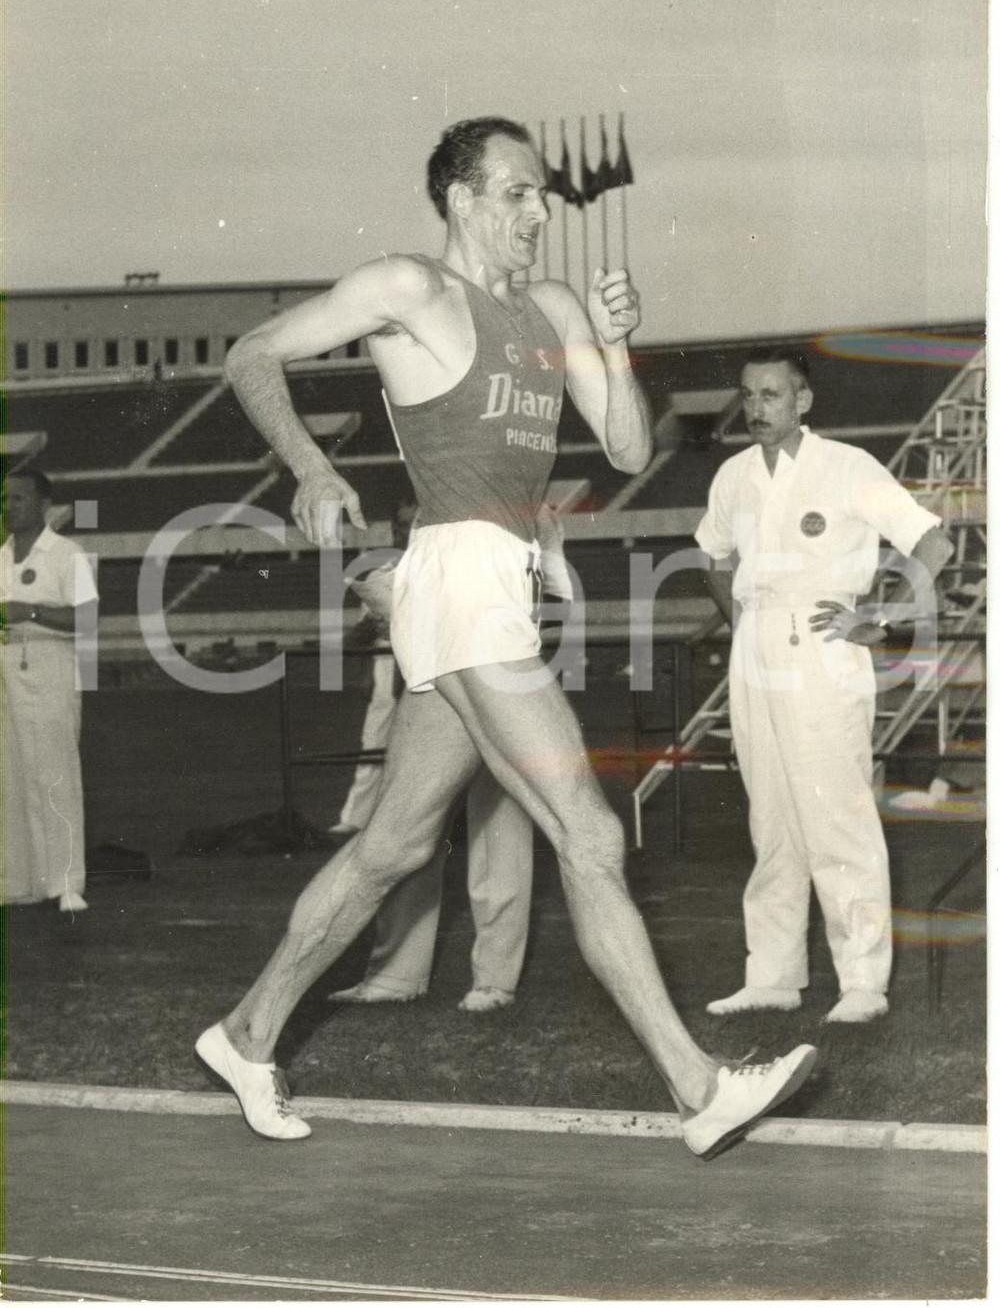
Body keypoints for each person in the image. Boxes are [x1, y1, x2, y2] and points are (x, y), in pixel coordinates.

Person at [196, 116, 817, 1158]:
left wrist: (616, 343)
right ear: (460, 198)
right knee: (585, 831)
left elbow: (623, 446)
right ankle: (700, 1087)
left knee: (392, 846)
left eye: (542, 197)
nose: (539, 214)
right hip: (457, 574)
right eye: (519, 193)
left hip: (497, 585)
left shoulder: (552, 308)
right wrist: (309, 465)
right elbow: (251, 352)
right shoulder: (408, 291)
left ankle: (247, 1033)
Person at [695, 350, 954, 1023]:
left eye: (772, 394)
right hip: (757, 648)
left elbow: (934, 543)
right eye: (749, 395)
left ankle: (863, 980)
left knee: (835, 814)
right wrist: (745, 620)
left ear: (803, 400)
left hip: (824, 643)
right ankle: (774, 973)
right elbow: (716, 558)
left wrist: (883, 616)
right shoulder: (733, 475)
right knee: (771, 816)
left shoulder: (847, 467)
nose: (758, 407)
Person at [330, 506, 535, 1012]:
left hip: (499, 694)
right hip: (428, 700)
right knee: (406, 835)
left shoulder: (511, 535)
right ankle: (395, 973)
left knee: (500, 838)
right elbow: (374, 602)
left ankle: (494, 979)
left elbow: (544, 610)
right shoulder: (400, 565)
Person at [1, 467, 98, 912]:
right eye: (5, 498)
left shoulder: (66, 554)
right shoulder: (0, 557)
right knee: (10, 776)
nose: (8, 507)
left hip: (49, 664)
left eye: (18, 498)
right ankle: (18, 880)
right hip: (4, 666)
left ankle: (65, 883)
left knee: (53, 772)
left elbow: (86, 619)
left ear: (43, 504)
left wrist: (31, 613)